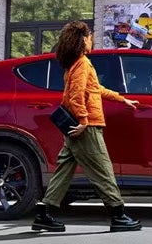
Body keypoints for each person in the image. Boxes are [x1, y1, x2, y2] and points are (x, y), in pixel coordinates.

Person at [32, 20, 143, 233]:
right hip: (87, 128)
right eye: (90, 37)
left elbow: (95, 88)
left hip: (76, 127)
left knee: (64, 170)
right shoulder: (82, 63)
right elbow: (76, 95)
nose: (92, 41)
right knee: (103, 169)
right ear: (83, 39)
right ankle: (118, 215)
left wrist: (121, 99)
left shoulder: (75, 64)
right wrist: (83, 121)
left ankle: (44, 214)